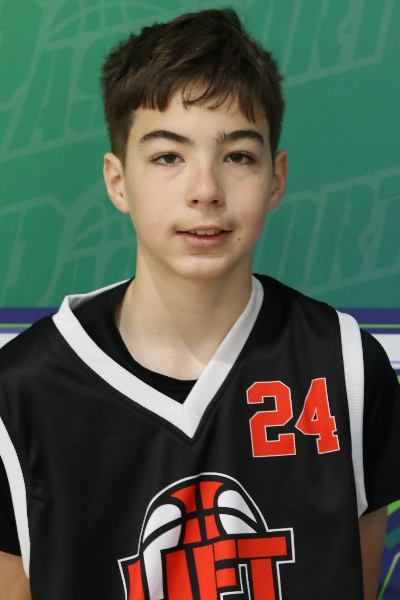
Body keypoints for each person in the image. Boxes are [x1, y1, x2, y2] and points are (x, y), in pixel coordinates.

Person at [0, 8, 399, 600]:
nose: (206, 189)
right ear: (117, 180)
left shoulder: (346, 367)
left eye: (238, 156)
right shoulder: (21, 394)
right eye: (168, 156)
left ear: (276, 178)